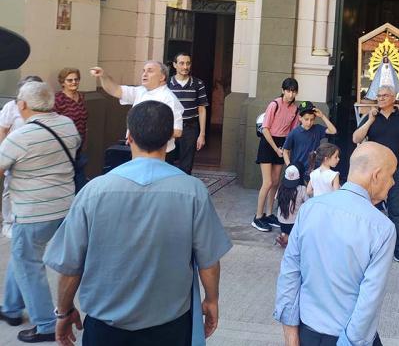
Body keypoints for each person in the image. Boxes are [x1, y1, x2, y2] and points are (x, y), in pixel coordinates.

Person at [44, 100, 232, 346]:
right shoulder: (193, 191)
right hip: (170, 328)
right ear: (169, 140)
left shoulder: (94, 191)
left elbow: (70, 266)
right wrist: (211, 300)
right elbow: (208, 261)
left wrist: (64, 311)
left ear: (128, 136)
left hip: (105, 328)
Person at [274, 142, 397, 346]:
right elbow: (370, 298)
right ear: (376, 175)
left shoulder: (310, 209)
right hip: (348, 338)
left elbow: (289, 271)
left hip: (305, 334)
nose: (393, 182)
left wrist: (290, 334)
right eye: (391, 174)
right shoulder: (382, 228)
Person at [0, 81, 81, 343]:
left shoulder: (21, 136)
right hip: (64, 207)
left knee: (29, 263)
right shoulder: (67, 125)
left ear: (21, 105)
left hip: (33, 212)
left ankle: (46, 324)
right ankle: (12, 308)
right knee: (23, 257)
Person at [352, 85, 399, 262]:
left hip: (397, 169)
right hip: (374, 172)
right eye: (379, 96)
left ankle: (396, 247)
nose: (380, 98)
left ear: (393, 97)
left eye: (384, 96)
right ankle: (370, 246)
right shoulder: (371, 116)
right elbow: (356, 139)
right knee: (371, 209)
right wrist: (369, 120)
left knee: (396, 210)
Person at [90, 62, 184, 154]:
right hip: (137, 150)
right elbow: (115, 90)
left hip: (159, 155)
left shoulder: (169, 98)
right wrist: (103, 76)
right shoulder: (140, 91)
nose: (145, 74)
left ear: (162, 77)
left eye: (150, 71)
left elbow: (177, 131)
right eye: (144, 71)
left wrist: (145, 134)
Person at [0, 76, 43, 239]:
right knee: (9, 189)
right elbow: (3, 131)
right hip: (14, 155)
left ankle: (27, 221)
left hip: (34, 155)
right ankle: (8, 223)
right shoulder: (11, 107)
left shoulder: (41, 108)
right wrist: (4, 154)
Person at [255, 78, 299, 232]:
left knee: (275, 182)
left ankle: (268, 213)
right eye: (288, 90)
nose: (290, 94)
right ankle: (258, 217)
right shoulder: (274, 104)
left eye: (293, 91)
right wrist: (275, 149)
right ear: (283, 90)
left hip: (282, 144)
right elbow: (265, 128)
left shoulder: (295, 109)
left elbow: (292, 131)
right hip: (268, 143)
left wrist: (285, 149)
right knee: (267, 182)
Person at [167, 52, 209, 175]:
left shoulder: (198, 84)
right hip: (170, 128)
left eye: (188, 63)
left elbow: (201, 109)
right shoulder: (167, 84)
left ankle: (182, 191)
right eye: (181, 63)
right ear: (175, 65)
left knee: (186, 165)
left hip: (190, 128)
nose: (185, 67)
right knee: (167, 162)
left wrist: (202, 134)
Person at [282, 101, 337, 177]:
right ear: (300, 118)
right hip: (297, 170)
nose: (309, 122)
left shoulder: (317, 129)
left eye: (312, 119)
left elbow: (333, 131)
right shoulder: (294, 133)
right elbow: (285, 151)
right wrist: (290, 166)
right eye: (306, 119)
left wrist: (322, 116)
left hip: (313, 170)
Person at [54, 67, 88, 147]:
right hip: (65, 144)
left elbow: (84, 121)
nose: (74, 82)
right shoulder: (58, 99)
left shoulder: (81, 96)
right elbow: (54, 123)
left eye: (76, 79)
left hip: (81, 142)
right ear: (62, 83)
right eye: (70, 80)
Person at [276, 165, 308, 248]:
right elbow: (308, 203)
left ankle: (284, 235)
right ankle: (289, 239)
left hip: (282, 222)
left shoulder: (281, 187)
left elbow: (276, 198)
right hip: (294, 224)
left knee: (286, 230)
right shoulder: (302, 189)